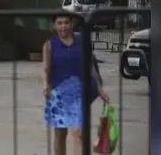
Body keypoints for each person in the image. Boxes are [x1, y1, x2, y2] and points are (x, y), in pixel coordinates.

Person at [43, 14, 110, 155]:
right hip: (58, 94)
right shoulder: (49, 45)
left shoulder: (81, 42)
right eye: (59, 23)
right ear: (53, 25)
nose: (63, 26)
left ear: (71, 23)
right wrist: (45, 85)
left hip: (79, 93)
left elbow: (90, 66)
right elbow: (45, 69)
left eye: (66, 22)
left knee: (78, 132)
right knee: (60, 134)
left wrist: (100, 89)